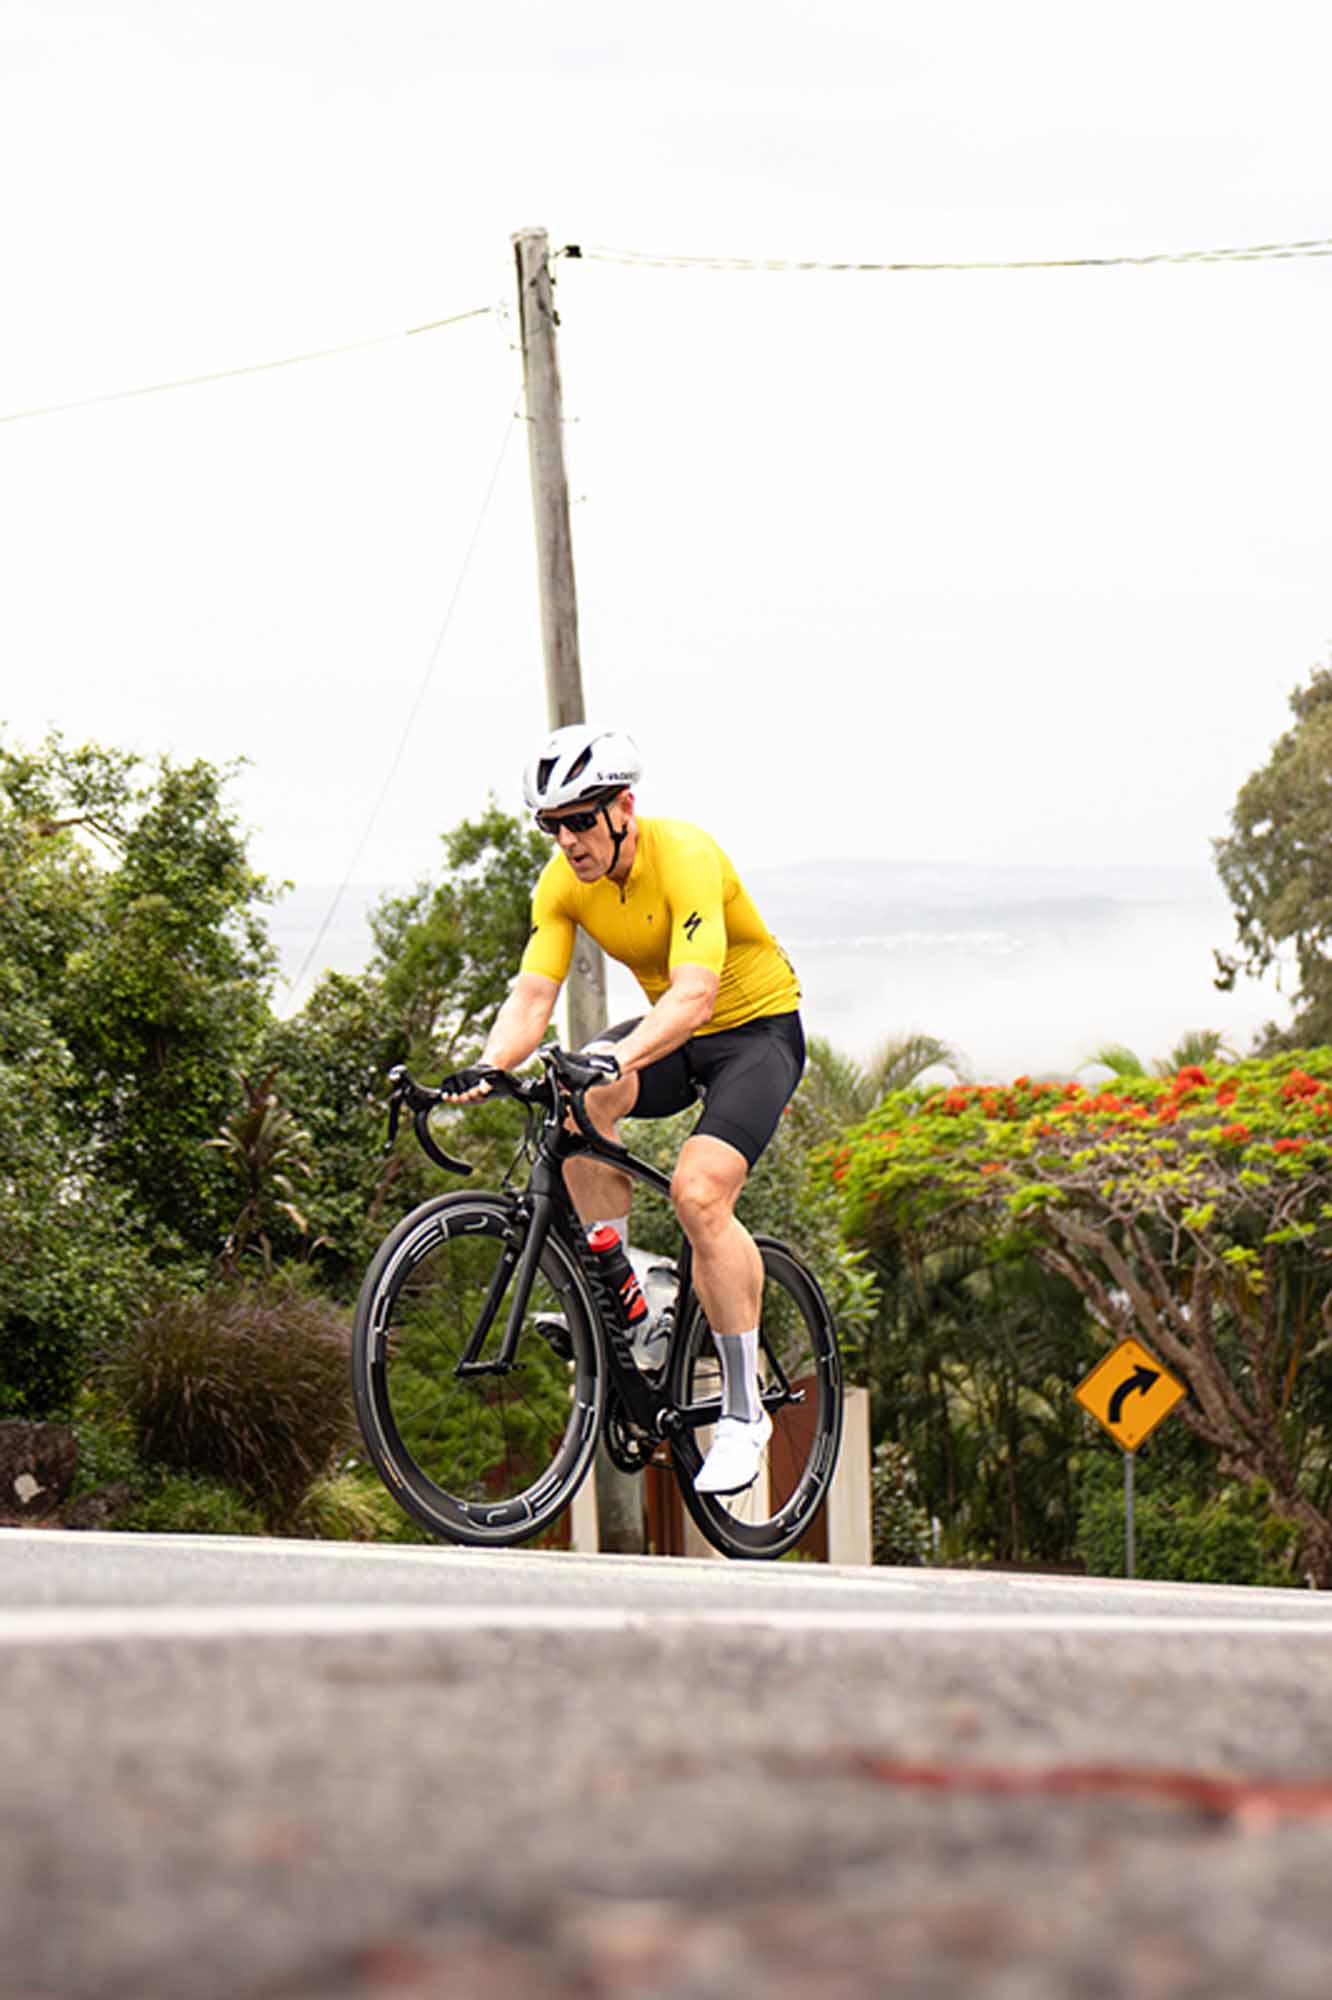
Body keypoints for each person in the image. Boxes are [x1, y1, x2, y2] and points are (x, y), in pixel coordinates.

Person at [437, 723, 805, 1497]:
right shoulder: (561, 883)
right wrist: (489, 1066)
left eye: (580, 820)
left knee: (699, 1195)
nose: (567, 840)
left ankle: (744, 1414)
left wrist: (620, 1054)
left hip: (754, 1037)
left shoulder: (687, 856)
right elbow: (532, 996)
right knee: (574, 1103)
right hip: (675, 1035)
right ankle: (628, 1296)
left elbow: (695, 994)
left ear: (623, 808)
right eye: (552, 825)